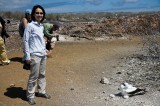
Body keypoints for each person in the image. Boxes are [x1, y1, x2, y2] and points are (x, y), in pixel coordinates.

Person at [23, 5, 51, 105]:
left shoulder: (41, 26)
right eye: (37, 13)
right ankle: (30, 95)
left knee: (42, 74)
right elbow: (25, 41)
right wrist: (27, 56)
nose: (39, 14)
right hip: (34, 54)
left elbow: (42, 40)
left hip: (42, 54)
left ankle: (41, 91)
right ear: (33, 14)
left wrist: (45, 50)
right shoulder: (30, 26)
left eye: (41, 13)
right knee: (34, 76)